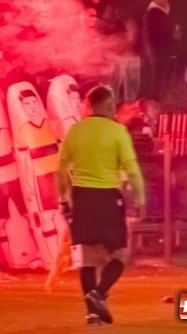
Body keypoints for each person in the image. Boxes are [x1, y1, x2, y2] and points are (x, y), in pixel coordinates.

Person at [58, 85, 145, 326]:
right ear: (108, 106)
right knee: (119, 254)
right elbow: (132, 169)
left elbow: (62, 170)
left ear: (89, 106)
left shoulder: (75, 131)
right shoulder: (117, 132)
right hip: (107, 197)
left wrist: (64, 200)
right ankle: (99, 293)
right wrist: (140, 198)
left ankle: (92, 313)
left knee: (88, 258)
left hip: (82, 198)